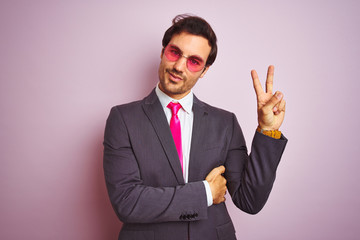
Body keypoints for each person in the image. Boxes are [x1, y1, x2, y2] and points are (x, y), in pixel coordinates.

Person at [103, 14, 287, 240]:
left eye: (194, 61)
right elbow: (127, 201)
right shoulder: (123, 119)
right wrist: (206, 193)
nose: (179, 66)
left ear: (205, 70)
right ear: (163, 52)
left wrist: (268, 130)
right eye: (175, 52)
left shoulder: (225, 123)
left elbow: (249, 201)